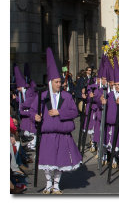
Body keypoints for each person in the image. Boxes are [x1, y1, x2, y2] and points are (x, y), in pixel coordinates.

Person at [29, 48, 82, 194]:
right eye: (57, 82)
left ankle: (56, 185)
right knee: (47, 161)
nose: (60, 84)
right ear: (51, 82)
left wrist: (60, 112)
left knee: (60, 161)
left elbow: (74, 112)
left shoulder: (67, 96)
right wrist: (36, 116)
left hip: (62, 134)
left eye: (60, 82)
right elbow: (32, 111)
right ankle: (48, 184)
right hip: (47, 134)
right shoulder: (42, 96)